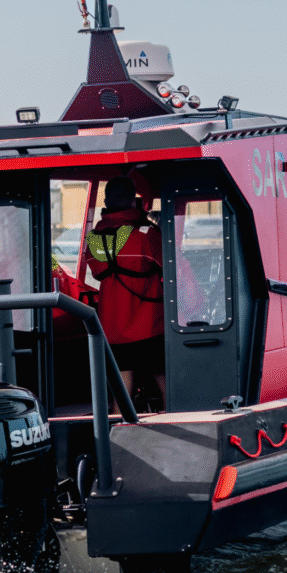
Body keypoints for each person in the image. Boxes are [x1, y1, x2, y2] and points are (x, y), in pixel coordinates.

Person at [85, 176, 166, 410]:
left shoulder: (94, 239)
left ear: (106, 202)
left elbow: (99, 273)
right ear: (134, 202)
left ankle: (117, 436)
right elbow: (172, 269)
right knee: (167, 392)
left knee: (121, 398)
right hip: (150, 325)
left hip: (113, 327)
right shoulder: (145, 235)